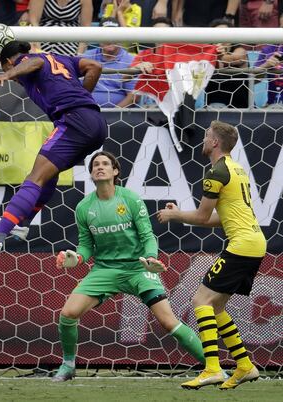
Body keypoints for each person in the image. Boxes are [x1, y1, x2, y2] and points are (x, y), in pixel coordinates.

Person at [51, 150, 206, 382]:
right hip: (105, 270)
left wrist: (151, 257)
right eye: (95, 165)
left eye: (105, 163)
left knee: (168, 321)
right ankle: (68, 365)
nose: (99, 167)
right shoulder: (84, 207)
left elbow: (147, 236)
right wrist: (77, 258)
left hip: (138, 268)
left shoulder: (131, 199)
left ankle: (213, 366)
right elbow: (85, 246)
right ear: (92, 174)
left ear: (115, 172)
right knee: (68, 313)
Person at [0, 40, 107, 255]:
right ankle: (22, 223)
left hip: (74, 121)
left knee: (34, 178)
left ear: (10, 62)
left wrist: (7, 74)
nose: (16, 79)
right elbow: (95, 66)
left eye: (9, 70)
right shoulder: (62, 59)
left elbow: (34, 61)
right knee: (48, 175)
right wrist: (83, 96)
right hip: (96, 122)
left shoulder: (28, 61)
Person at [157, 120, 266, 390]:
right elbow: (220, 218)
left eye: (207, 136)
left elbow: (202, 216)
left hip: (241, 245)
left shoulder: (217, 171)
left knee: (200, 300)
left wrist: (173, 215)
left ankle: (212, 368)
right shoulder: (236, 169)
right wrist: (182, 214)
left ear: (215, 142)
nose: (204, 140)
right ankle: (244, 365)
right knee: (216, 306)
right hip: (253, 242)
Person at [83, 17, 137, 107]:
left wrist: (114, 113)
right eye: (105, 34)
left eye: (113, 34)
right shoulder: (86, 57)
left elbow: (133, 97)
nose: (109, 39)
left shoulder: (130, 61)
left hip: (119, 116)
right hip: (87, 111)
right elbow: (75, 89)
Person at [205, 18, 249, 109]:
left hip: (242, 109)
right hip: (212, 109)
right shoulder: (205, 56)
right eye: (217, 34)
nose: (221, 37)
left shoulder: (240, 51)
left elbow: (237, 58)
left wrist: (220, 56)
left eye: (225, 33)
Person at [28, 0, 93, 55]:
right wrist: (38, 50)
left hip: (70, 43)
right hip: (42, 39)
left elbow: (86, 27)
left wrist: (79, 54)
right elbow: (34, 21)